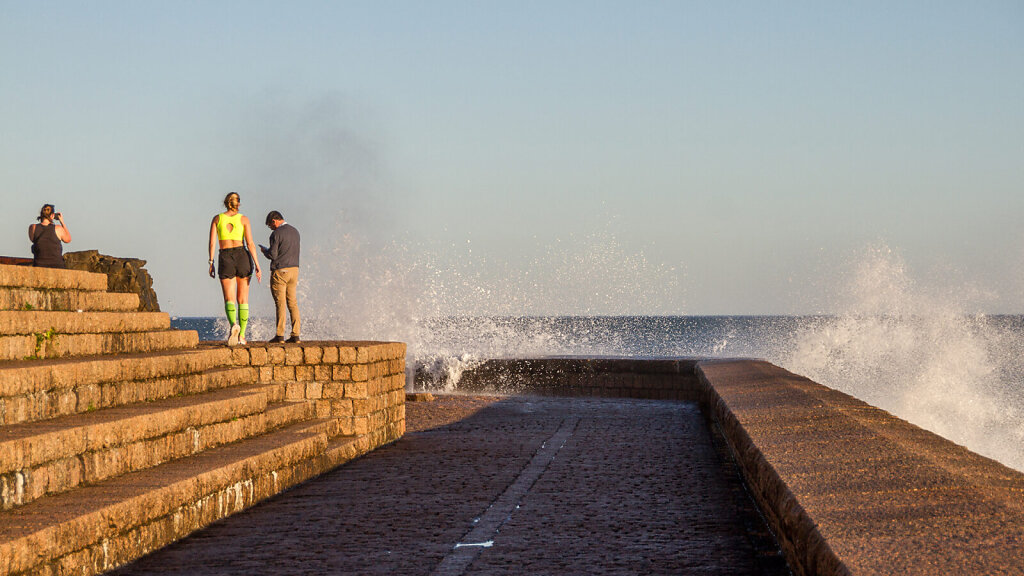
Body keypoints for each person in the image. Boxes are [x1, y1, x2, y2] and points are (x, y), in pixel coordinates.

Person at [208, 192, 261, 346]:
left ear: (226, 203)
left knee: (229, 299)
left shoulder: (217, 219)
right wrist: (257, 265)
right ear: (238, 204)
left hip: (225, 257)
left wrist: (211, 262)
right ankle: (242, 336)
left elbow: (212, 243)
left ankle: (233, 326)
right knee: (243, 299)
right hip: (242, 255)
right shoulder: (244, 219)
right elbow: (250, 243)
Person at [260, 210, 301, 343]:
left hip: (280, 271)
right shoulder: (295, 231)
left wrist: (264, 251)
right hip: (294, 270)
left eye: (270, 225)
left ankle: (280, 335)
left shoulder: (276, 233)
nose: (270, 228)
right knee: (293, 303)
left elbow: (273, 255)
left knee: (280, 303)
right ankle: (296, 334)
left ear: (274, 221)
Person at [28, 204, 71, 268]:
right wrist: (62, 222)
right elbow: (68, 239)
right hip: (57, 265)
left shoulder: (33, 227)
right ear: (52, 215)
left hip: (39, 264)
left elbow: (32, 240)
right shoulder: (58, 228)